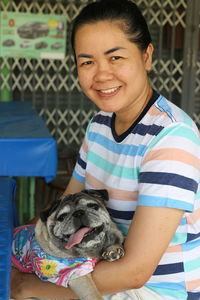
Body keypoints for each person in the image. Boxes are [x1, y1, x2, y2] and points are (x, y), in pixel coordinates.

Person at [11, 0, 200, 299]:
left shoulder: (171, 138)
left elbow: (135, 272)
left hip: (155, 291)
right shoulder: (100, 124)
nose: (101, 74)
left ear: (146, 56)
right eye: (87, 62)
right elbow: (65, 203)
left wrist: (30, 287)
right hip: (93, 268)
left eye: (115, 58)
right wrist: (19, 246)